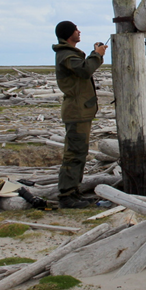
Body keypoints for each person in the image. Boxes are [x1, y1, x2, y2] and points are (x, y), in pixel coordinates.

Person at [52, 20, 108, 208]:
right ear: (69, 35)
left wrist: (95, 54)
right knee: (74, 154)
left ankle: (73, 192)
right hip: (76, 112)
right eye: (76, 30)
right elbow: (85, 70)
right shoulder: (66, 55)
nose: (79, 31)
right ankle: (67, 196)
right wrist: (97, 55)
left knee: (78, 153)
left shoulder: (68, 54)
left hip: (80, 111)